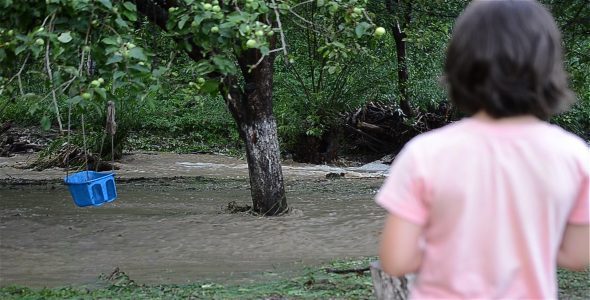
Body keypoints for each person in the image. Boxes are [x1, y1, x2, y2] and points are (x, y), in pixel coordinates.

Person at [375, 0, 589, 299]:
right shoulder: (575, 156)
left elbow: (396, 260)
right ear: (549, 68)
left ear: (460, 65)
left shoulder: (425, 153)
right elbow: (577, 256)